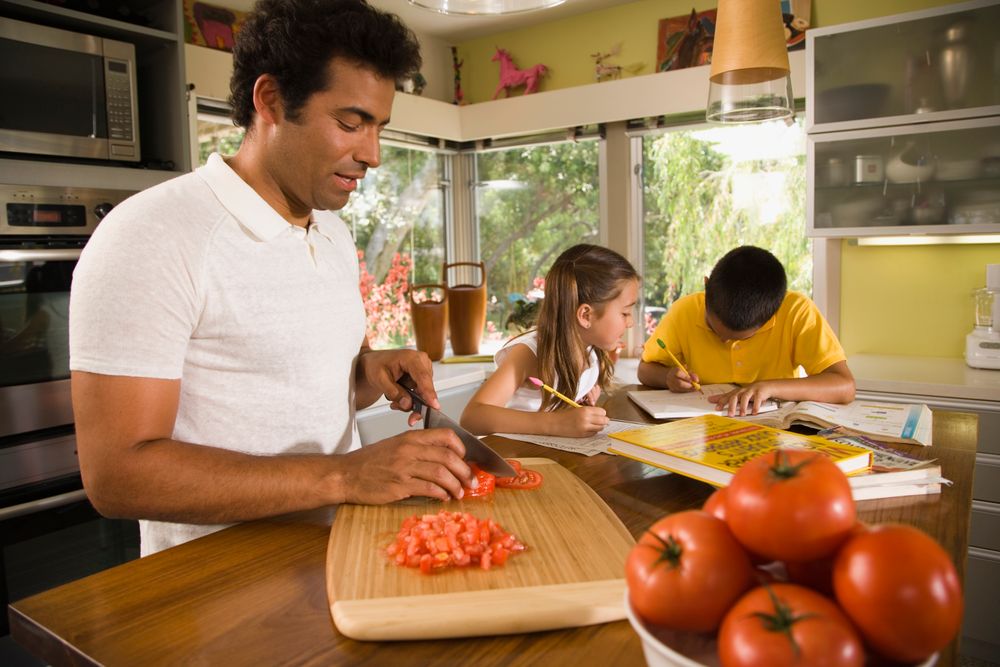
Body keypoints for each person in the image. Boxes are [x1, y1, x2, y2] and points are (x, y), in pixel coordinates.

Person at [69, 0, 475, 557]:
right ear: (271, 101)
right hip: (213, 596)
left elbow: (293, 389)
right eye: (350, 122)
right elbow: (117, 475)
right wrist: (344, 477)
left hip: (339, 561)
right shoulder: (152, 233)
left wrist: (369, 371)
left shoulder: (332, 234)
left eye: (379, 127)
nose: (373, 154)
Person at [638, 245, 855, 416]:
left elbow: (844, 387)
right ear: (706, 287)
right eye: (713, 328)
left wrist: (770, 388)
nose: (724, 342)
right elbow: (645, 370)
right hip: (702, 428)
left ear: (773, 313)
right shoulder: (684, 310)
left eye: (742, 337)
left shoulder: (796, 310)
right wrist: (667, 377)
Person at [460, 244, 640, 437]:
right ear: (586, 316)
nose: (630, 323)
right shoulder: (529, 353)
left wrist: (580, 401)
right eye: (625, 313)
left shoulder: (590, 348)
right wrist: (557, 423)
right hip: (517, 457)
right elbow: (472, 417)